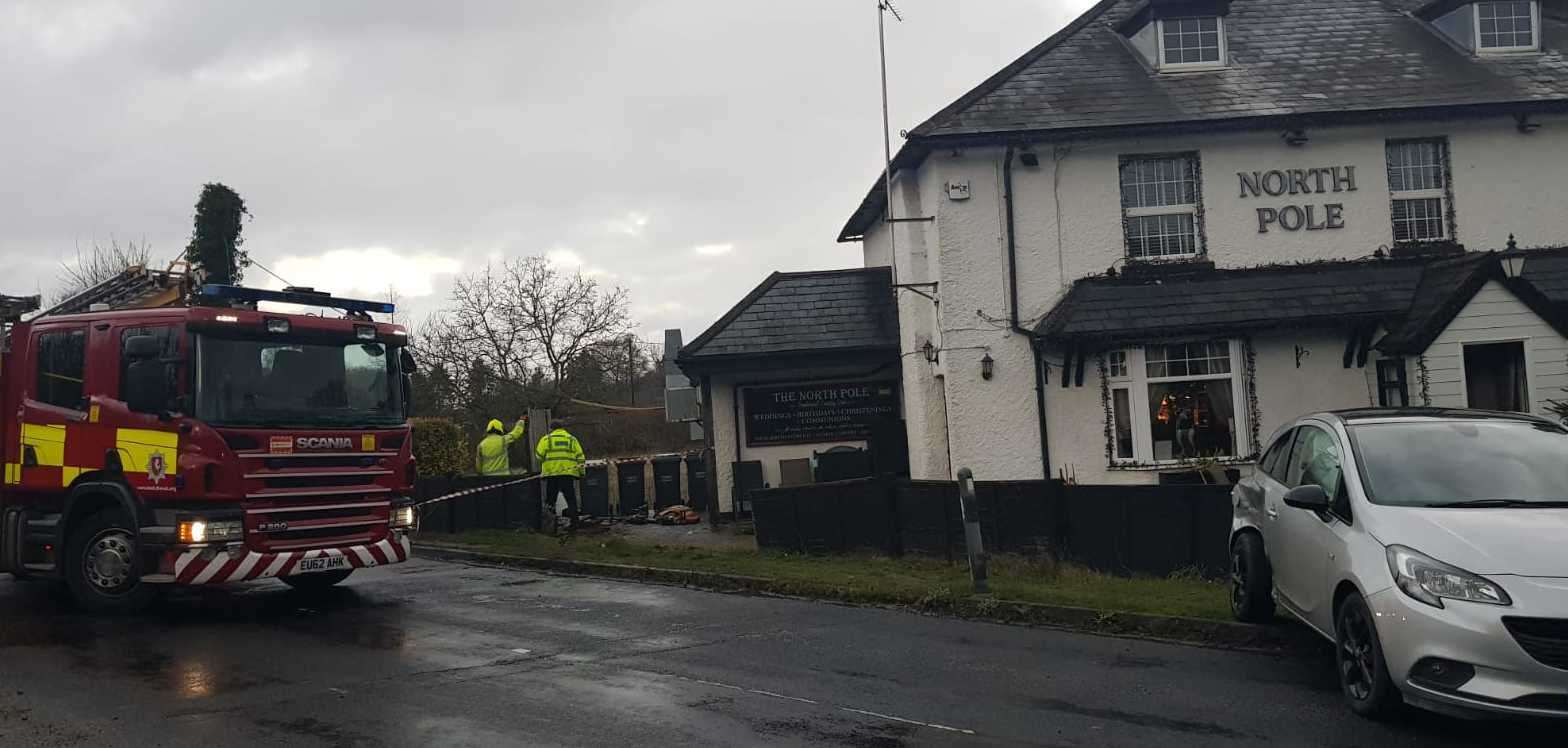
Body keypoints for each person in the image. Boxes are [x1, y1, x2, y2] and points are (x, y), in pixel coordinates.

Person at [535, 419, 586, 528]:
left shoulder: (546, 439)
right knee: (571, 499)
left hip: (551, 474)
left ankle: (550, 524)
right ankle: (574, 522)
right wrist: (581, 473)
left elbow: (538, 456)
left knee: (550, 500)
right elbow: (581, 457)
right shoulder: (572, 439)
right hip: (567, 474)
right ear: (562, 428)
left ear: (551, 429)